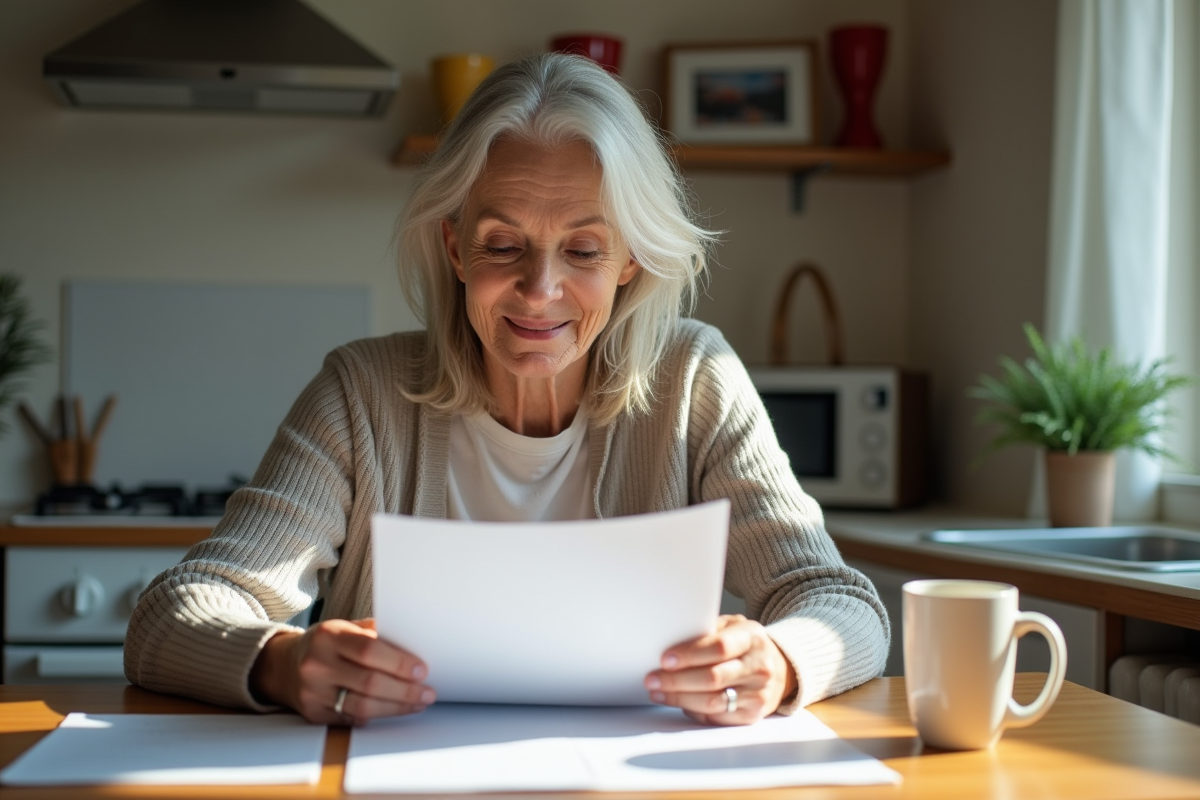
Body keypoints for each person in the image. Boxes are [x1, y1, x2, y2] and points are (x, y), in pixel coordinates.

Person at [125, 52, 889, 727]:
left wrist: (781, 661)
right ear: (455, 247)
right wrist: (282, 663)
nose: (540, 289)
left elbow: (840, 603)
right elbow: (173, 613)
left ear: (630, 260)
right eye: (502, 245)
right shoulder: (362, 392)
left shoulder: (694, 377)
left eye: (583, 249)